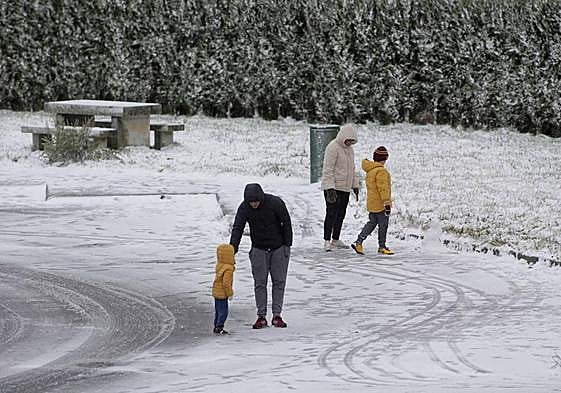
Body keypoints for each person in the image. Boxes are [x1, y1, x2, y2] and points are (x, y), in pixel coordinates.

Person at [230, 183, 293, 329]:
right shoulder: (244, 207)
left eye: (256, 201)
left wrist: (287, 245)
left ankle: (277, 315)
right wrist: (233, 248)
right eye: (251, 202)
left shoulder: (275, 203)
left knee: (279, 282)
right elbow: (238, 227)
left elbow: (286, 223)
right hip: (258, 249)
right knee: (260, 283)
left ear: (261, 198)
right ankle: (261, 316)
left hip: (278, 248)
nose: (254, 204)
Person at [321, 123, 360, 251]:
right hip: (333, 187)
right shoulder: (333, 147)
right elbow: (328, 169)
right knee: (331, 214)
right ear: (343, 137)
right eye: (348, 140)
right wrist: (329, 188)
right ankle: (327, 240)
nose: (350, 143)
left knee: (341, 214)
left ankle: (335, 239)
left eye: (352, 141)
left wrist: (355, 185)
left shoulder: (350, 150)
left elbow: (352, 169)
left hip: (345, 188)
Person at [351, 146, 394, 255]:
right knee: (383, 225)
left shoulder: (370, 171)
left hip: (372, 203)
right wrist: (387, 203)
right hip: (381, 204)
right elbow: (383, 188)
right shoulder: (381, 171)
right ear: (384, 159)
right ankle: (382, 246)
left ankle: (359, 241)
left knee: (371, 224)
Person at [212, 243, 236, 334]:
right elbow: (226, 283)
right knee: (223, 312)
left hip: (216, 291)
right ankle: (219, 327)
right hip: (222, 293)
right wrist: (230, 293)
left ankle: (216, 325)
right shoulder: (229, 269)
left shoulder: (220, 265)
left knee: (218, 311)